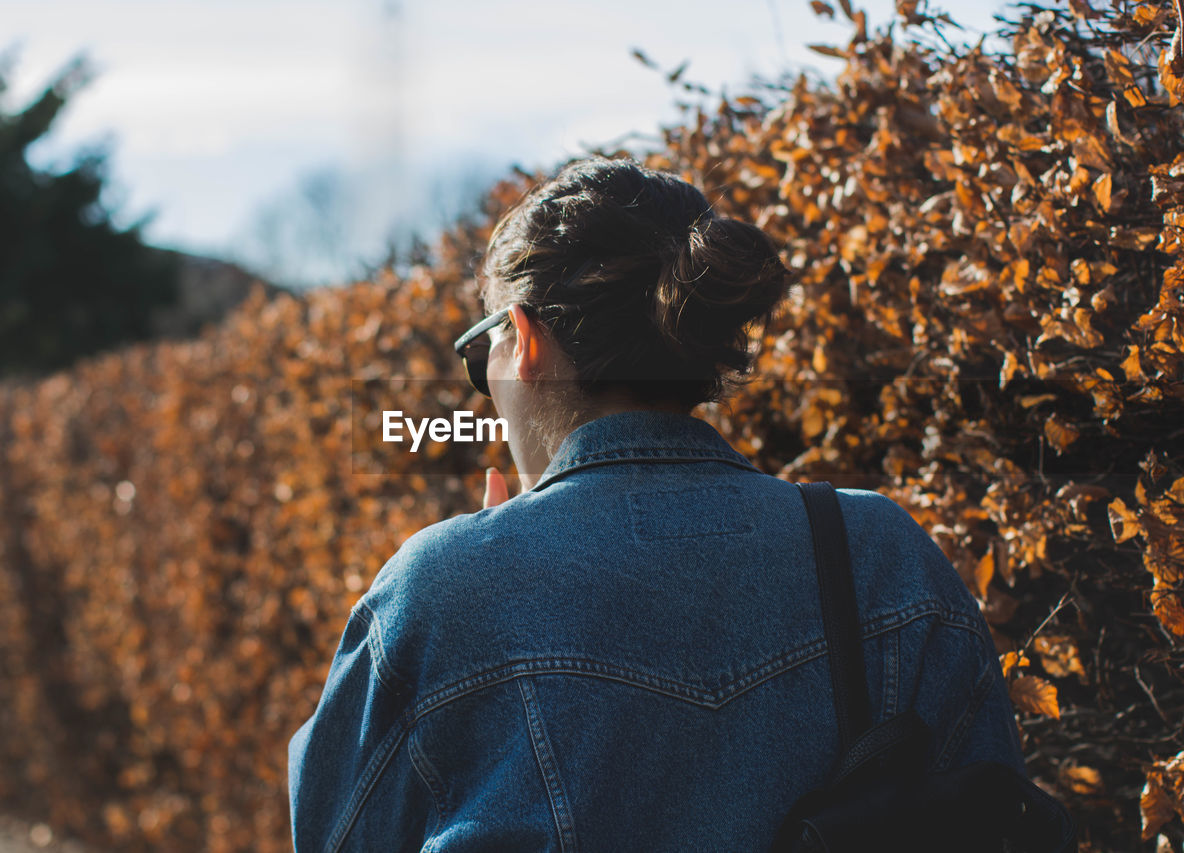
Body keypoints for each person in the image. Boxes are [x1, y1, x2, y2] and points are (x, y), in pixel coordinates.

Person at [287, 156, 1026, 852]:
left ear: (524, 338)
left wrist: (473, 577)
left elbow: (331, 828)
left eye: (482, 357)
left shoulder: (442, 588)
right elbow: (994, 811)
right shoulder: (882, 552)